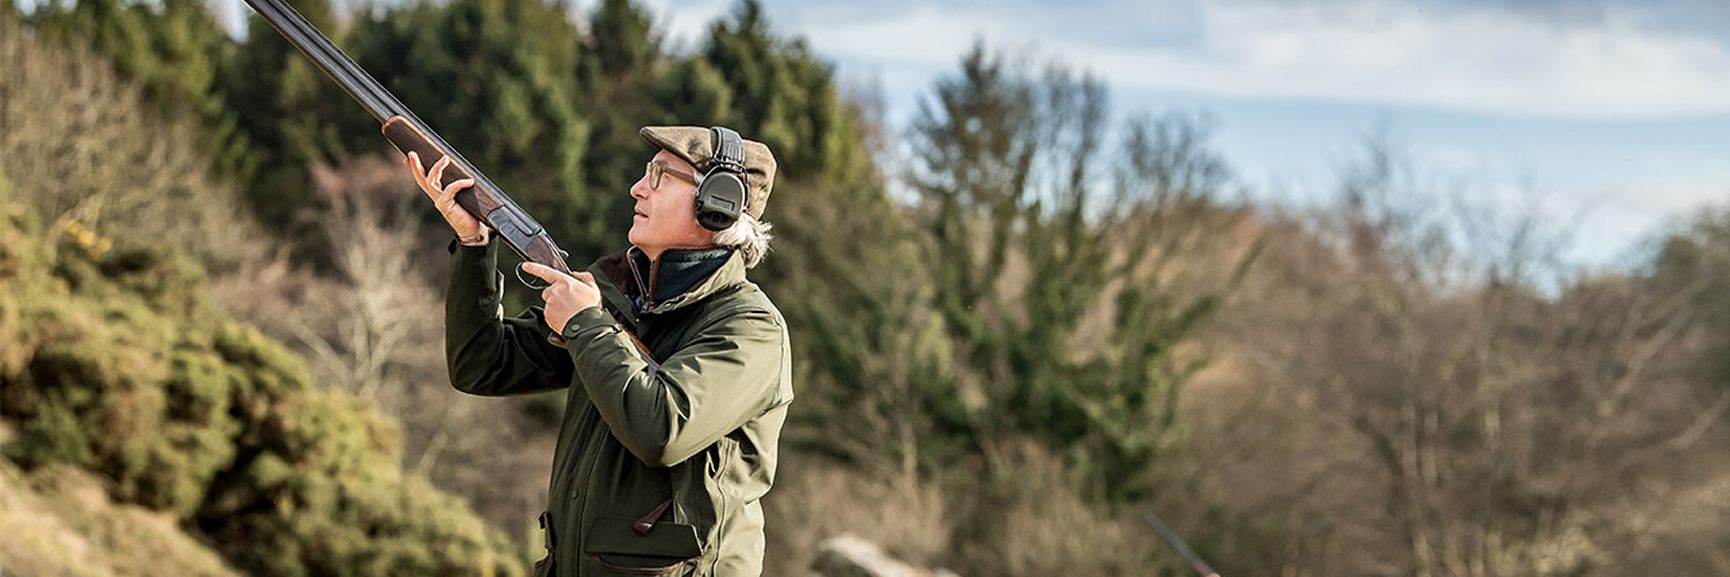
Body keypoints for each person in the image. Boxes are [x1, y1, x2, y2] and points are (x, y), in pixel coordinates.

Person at [404, 126, 792, 577]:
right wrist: (475, 246)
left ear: (717, 205)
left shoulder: (750, 327)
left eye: (662, 176)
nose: (638, 188)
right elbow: (482, 365)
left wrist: (585, 323)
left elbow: (662, 429)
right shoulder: (619, 296)